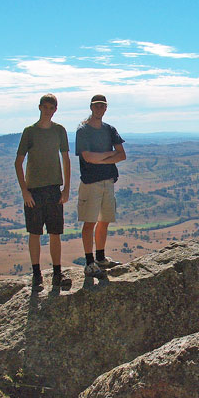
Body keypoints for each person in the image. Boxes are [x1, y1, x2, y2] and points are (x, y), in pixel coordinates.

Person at [14, 93, 71, 288]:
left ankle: (57, 274)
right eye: (45, 107)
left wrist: (66, 189)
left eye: (51, 108)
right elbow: (18, 162)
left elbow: (66, 159)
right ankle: (37, 275)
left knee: (55, 233)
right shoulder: (29, 132)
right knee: (35, 233)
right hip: (34, 191)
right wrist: (24, 191)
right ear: (39, 107)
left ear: (55, 110)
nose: (48, 111)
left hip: (54, 189)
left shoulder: (60, 131)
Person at [75, 94, 126, 279]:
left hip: (108, 181)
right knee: (90, 222)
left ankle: (101, 258)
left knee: (104, 221)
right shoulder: (83, 131)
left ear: (106, 108)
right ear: (91, 107)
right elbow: (88, 157)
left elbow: (122, 155)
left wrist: (101, 158)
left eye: (102, 106)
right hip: (91, 182)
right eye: (96, 106)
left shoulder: (110, 129)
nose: (99, 109)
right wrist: (109, 155)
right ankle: (89, 263)